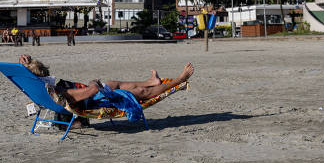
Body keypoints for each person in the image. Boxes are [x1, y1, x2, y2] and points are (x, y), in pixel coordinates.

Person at [18, 54, 193, 111]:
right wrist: (94, 82)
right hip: (95, 101)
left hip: (92, 97)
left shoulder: (44, 88)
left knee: (113, 83)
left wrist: (24, 64)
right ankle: (179, 80)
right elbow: (91, 91)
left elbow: (27, 77)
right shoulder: (61, 93)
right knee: (139, 94)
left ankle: (151, 81)